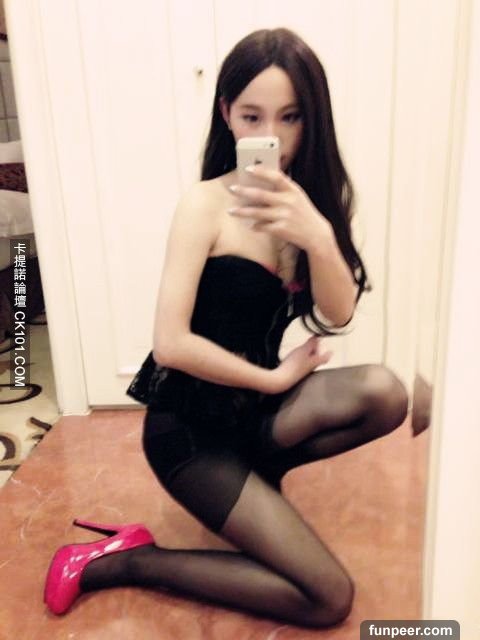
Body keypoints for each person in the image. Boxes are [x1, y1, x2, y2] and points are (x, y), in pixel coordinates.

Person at [44, 27, 409, 628]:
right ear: (226, 115)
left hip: (252, 417)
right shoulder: (205, 205)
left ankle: (260, 477)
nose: (272, 136)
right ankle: (124, 560)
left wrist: (318, 236)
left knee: (385, 393)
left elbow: (339, 313)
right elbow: (170, 344)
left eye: (290, 117)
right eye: (252, 116)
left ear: (311, 119)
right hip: (190, 431)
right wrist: (275, 380)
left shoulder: (309, 208)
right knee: (328, 598)